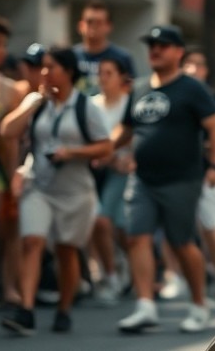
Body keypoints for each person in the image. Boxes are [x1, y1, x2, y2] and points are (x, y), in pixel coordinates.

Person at [112, 25, 215, 334]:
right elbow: (124, 131)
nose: (155, 49)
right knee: (137, 237)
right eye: (151, 44)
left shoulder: (191, 88)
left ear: (178, 51)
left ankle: (200, 305)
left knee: (181, 243)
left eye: (163, 44)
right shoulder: (138, 89)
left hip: (181, 179)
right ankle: (145, 305)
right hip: (143, 179)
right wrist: (107, 149)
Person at [0, 47, 112, 335]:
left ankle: (64, 307)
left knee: (66, 251)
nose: (45, 73)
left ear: (68, 71)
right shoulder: (37, 103)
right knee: (32, 242)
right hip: (39, 185)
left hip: (74, 191)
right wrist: (29, 104)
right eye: (43, 68)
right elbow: (7, 132)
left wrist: (72, 152)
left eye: (51, 68)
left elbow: (105, 146)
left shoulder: (87, 107)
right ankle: (25, 310)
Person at [180, 47, 215, 306]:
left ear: (205, 70)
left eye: (197, 64)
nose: (192, 69)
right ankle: (182, 278)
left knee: (211, 223)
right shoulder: (176, 95)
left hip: (205, 171)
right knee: (180, 227)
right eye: (187, 63)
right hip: (179, 174)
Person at [88, 57, 132, 304]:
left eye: (108, 72)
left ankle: (130, 263)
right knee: (100, 222)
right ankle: (110, 276)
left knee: (123, 229)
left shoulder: (129, 104)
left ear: (121, 77)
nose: (102, 78)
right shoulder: (91, 104)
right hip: (93, 171)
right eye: (100, 73)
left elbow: (137, 137)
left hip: (121, 172)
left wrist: (125, 159)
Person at [0, 18, 20, 308]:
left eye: (2, 45)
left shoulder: (10, 89)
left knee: (3, 229)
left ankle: (6, 284)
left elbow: (12, 139)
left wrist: (13, 175)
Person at [73, 0, 136, 95]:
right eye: (89, 21)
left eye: (99, 22)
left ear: (109, 26)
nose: (94, 26)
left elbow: (130, 91)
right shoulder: (71, 56)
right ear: (81, 25)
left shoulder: (122, 58)